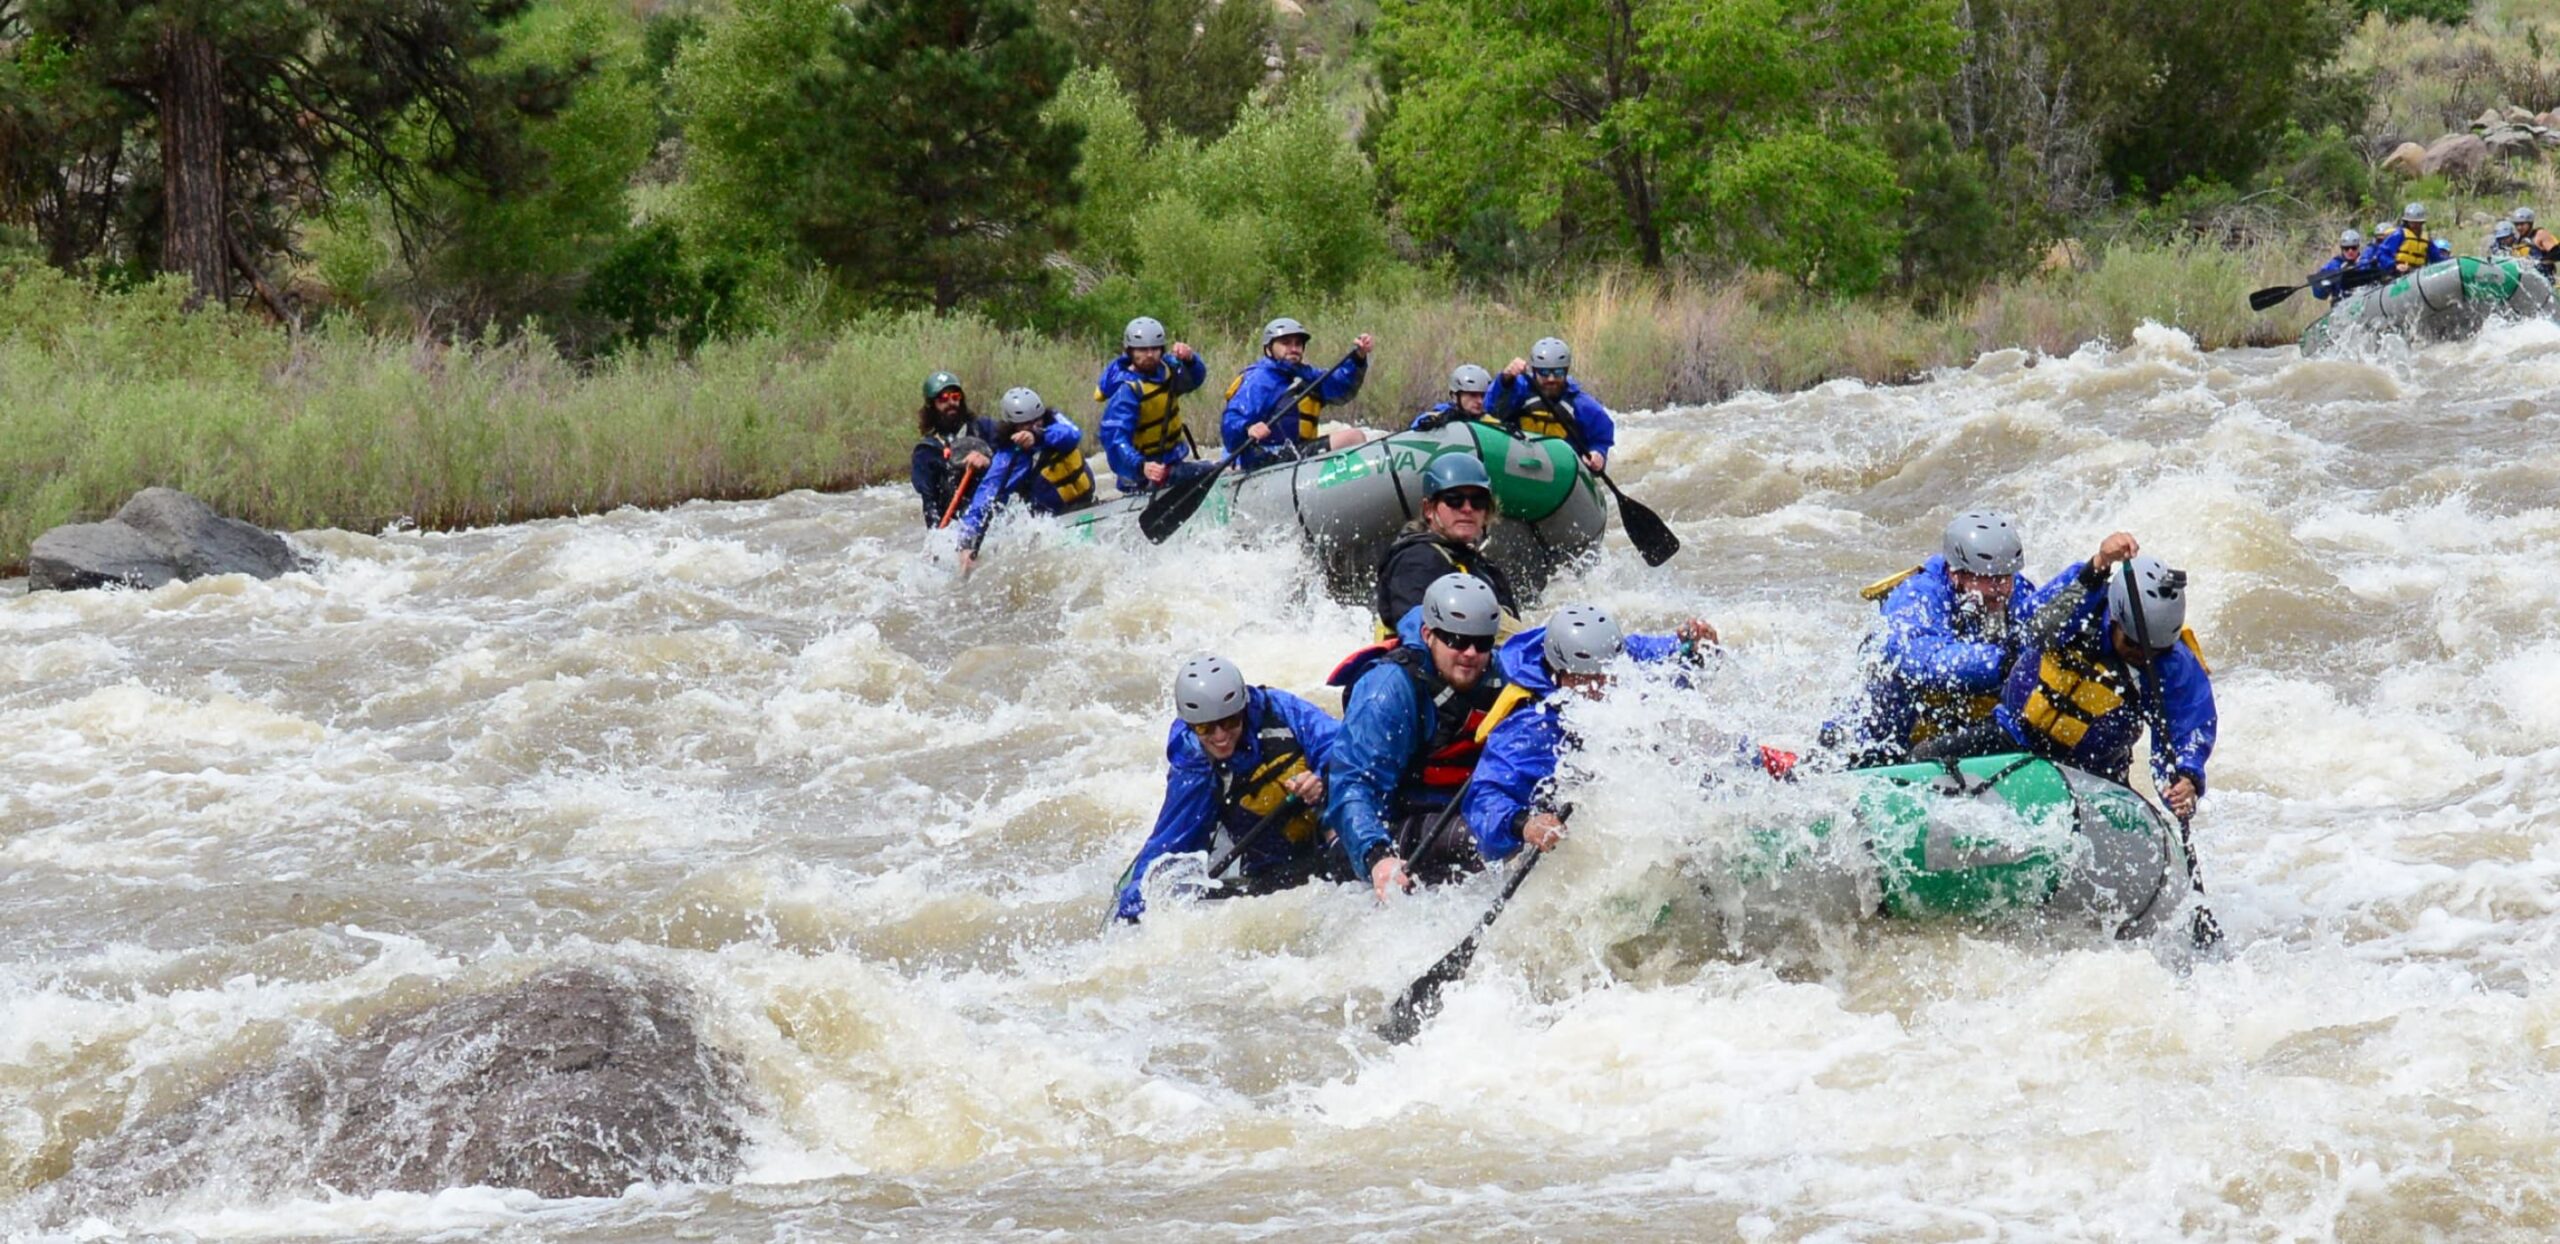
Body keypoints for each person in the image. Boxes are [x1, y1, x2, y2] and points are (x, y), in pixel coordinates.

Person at [1915, 534, 2216, 822]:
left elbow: (2186, 732)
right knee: (1923, 757)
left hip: (2093, 772)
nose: (2144, 656)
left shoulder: (2174, 667)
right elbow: (2034, 628)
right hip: (2013, 734)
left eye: (2155, 650)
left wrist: (2186, 779)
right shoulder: (2084, 602)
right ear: (2115, 618)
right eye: (2134, 645)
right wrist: (2097, 565)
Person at [1462, 605, 1719, 863]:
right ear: (1560, 671)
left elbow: (1666, 658)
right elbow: (1484, 799)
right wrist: (1525, 825)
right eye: (1587, 679)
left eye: (1608, 675)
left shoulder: (1614, 657)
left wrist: (1695, 648)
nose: (1602, 687)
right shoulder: (1530, 727)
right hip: (1563, 828)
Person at [1326, 573, 1516, 897]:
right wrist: (1377, 856)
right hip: (1387, 828)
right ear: (1429, 634)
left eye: (1481, 642)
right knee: (1485, 835)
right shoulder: (1388, 691)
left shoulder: (1503, 674)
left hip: (1460, 810)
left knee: (1506, 826)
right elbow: (1354, 783)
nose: (1470, 653)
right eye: (1456, 640)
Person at [1112, 655, 1343, 922]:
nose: (1220, 736)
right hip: (1273, 869)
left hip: (1329, 834)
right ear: (1190, 725)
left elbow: (1340, 745)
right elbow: (1171, 844)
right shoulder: (1195, 764)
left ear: (1243, 709)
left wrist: (1321, 779)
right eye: (1205, 727)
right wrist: (1133, 914)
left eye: (1230, 721)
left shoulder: (1281, 710)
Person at [1842, 509, 2040, 767]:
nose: (1999, 589)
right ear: (1956, 572)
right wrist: (2002, 662)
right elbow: (1925, 661)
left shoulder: (2017, 591)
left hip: (1951, 725)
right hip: (1889, 726)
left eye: (2005, 577)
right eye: (1989, 578)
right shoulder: (1917, 595)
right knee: (1886, 692)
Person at [1372, 455, 1520, 638]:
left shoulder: (1486, 568)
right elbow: (1417, 636)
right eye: (1454, 499)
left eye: (1478, 501)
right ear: (1428, 509)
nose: (1467, 508)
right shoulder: (1417, 560)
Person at [953, 386, 1096, 568]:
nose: (1034, 425)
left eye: (1037, 420)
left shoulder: (1052, 423)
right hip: (1052, 522)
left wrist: (1038, 435)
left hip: (1086, 503)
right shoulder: (1008, 457)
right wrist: (966, 543)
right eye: (1026, 424)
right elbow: (984, 499)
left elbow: (1072, 434)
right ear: (1012, 426)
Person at [1219, 317, 1373, 471]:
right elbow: (1231, 420)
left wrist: (1358, 359)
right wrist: (1248, 428)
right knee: (1353, 438)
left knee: (1354, 438)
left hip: (1297, 453)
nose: (1293, 348)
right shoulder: (1258, 379)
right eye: (1286, 343)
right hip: (1265, 458)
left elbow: (1341, 387)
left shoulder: (1306, 375)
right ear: (1268, 348)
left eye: (1298, 343)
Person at [1095, 316, 1211, 494]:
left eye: (1154, 348)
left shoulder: (1167, 369)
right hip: (1140, 476)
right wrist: (1142, 466)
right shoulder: (1126, 391)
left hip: (1171, 463)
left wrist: (1190, 360)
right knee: (1208, 470)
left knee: (1208, 470)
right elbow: (1115, 439)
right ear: (1130, 351)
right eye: (1142, 350)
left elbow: (1194, 380)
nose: (1149, 355)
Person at [1487, 337, 1614, 474]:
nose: (1551, 379)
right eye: (1545, 373)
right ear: (1535, 371)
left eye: (1558, 373)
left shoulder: (1583, 405)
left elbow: (1601, 440)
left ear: (1566, 371)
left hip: (1562, 471)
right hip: (1519, 463)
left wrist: (1598, 453)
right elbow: (1491, 408)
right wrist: (1506, 379)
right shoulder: (1519, 391)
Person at [910, 371, 996, 528]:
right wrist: (936, 540)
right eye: (943, 398)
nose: (951, 402)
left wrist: (988, 461)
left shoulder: (985, 428)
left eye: (955, 396)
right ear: (931, 405)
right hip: (956, 524)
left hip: (993, 515)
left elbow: (1010, 460)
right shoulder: (926, 452)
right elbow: (930, 504)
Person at [2363, 202, 2451, 274]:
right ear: (2407, 222)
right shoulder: (2399, 234)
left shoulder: (2426, 239)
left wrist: (2451, 262)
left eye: (2418, 223)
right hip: (2398, 274)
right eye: (2413, 223)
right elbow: (2382, 253)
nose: (2416, 226)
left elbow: (2437, 257)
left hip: (2418, 274)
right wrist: (2395, 266)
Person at [1409, 364, 1496, 431]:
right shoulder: (1433, 418)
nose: (1480, 401)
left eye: (1483, 396)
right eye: (1473, 395)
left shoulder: (1491, 423)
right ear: (1454, 396)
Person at [2310, 230, 2366, 302]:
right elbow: (2319, 294)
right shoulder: (2333, 266)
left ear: (2358, 247)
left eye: (2353, 247)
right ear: (2342, 248)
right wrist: (2327, 282)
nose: (2350, 251)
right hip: (2342, 305)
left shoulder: (2365, 262)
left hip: (2363, 301)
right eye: (2346, 248)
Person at [2514, 207, 2557, 275]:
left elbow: (2556, 252)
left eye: (2522, 224)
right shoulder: (2518, 241)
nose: (2519, 227)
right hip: (2527, 279)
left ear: (2530, 223)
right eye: (2516, 224)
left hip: (2545, 279)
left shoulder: (2540, 234)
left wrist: (2540, 261)